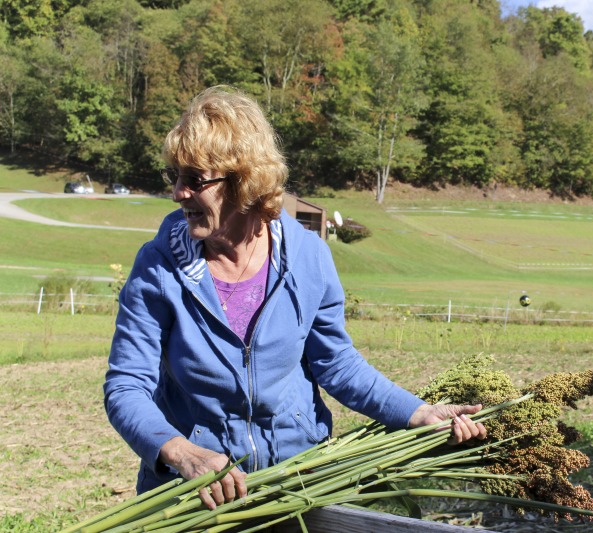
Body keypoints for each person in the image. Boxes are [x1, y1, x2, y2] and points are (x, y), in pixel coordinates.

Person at [104, 86, 486, 510]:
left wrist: (416, 412)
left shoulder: (308, 258)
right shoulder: (158, 266)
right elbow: (126, 386)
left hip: (295, 483)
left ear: (242, 181)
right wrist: (179, 452)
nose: (177, 193)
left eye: (194, 180)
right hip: (194, 494)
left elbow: (335, 363)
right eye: (174, 176)